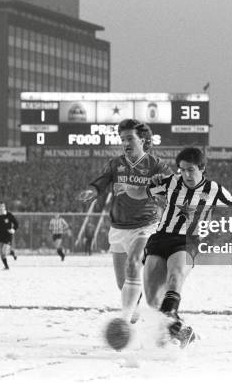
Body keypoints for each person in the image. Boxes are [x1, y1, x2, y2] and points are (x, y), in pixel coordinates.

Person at [123, 147, 232, 347]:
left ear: (202, 168)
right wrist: (124, 185)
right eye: (182, 170)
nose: (186, 174)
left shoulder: (214, 190)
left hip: (187, 242)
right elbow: (141, 193)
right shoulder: (170, 183)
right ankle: (184, 331)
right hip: (160, 239)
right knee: (152, 300)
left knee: (175, 276)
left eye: (190, 169)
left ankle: (171, 314)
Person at [78, 119, 172, 323]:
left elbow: (172, 186)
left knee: (133, 263)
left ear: (144, 140)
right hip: (118, 228)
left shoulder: (156, 164)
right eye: (122, 139)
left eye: (130, 138)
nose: (125, 143)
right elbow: (102, 181)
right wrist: (92, 191)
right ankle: (136, 311)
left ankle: (125, 321)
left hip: (146, 225)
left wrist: (161, 191)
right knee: (123, 283)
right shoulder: (116, 164)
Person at [0, 202, 18, 270]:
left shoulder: (9, 215)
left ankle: (11, 252)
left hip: (8, 235)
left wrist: (13, 230)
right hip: (0, 236)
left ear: (4, 207)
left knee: (4, 251)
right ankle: (6, 266)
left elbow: (16, 223)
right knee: (1, 254)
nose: (1, 208)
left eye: (2, 206)